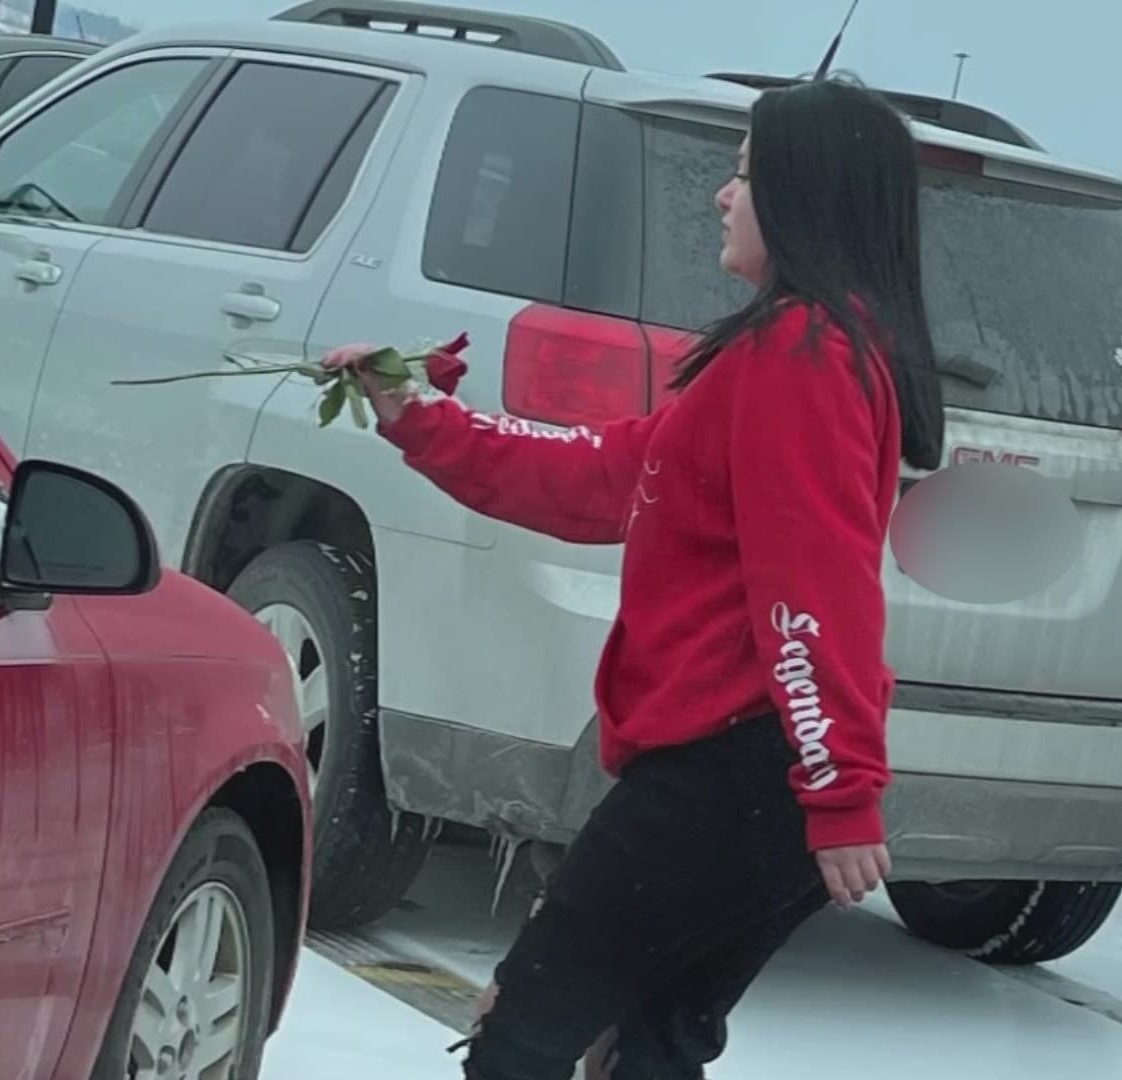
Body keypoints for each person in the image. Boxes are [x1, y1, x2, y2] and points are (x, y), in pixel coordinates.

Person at [323, 76, 946, 1080]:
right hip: (747, 775)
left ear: (802, 192)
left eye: (741, 174)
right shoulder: (792, 350)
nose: (722, 195)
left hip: (733, 775)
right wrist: (419, 414)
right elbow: (608, 477)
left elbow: (813, 595)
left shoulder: (804, 355)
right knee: (650, 1045)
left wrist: (840, 792)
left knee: (527, 1033)